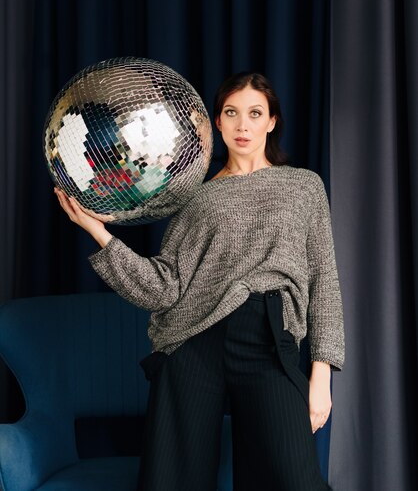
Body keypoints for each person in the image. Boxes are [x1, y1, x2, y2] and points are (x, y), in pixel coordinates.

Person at [55, 72, 345, 491]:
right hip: (194, 342)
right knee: (172, 481)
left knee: (294, 479)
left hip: (267, 332)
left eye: (254, 113)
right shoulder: (196, 196)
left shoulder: (303, 186)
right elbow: (165, 287)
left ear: (272, 122)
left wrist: (321, 378)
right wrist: (100, 234)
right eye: (231, 113)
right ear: (217, 123)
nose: (243, 125)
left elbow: (325, 284)